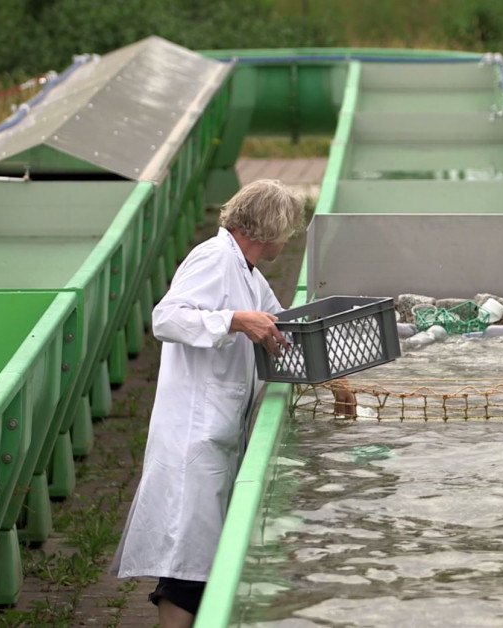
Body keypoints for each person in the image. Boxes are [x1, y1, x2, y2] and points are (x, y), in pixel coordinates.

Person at [111, 179, 352, 628]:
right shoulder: (213, 258)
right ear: (270, 230)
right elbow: (166, 318)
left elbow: (283, 332)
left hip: (217, 430)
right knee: (189, 559)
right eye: (289, 230)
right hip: (193, 433)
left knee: (199, 553)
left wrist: (331, 374)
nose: (289, 239)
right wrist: (234, 321)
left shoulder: (247, 273)